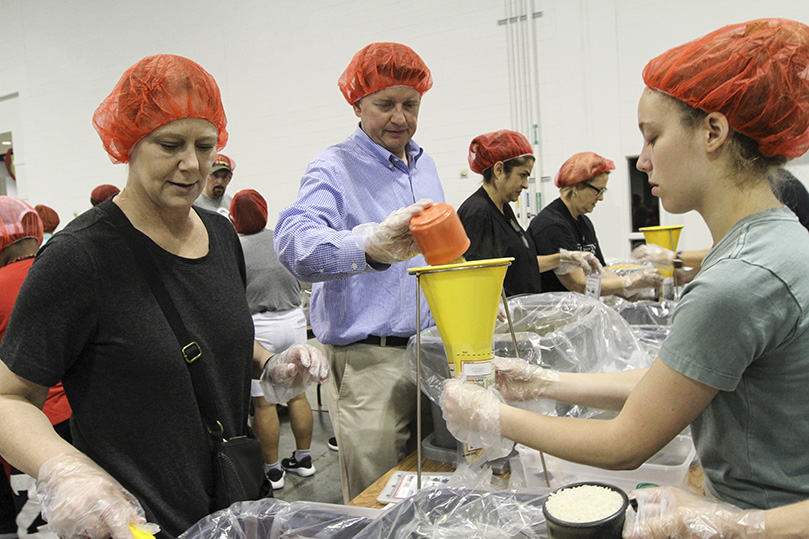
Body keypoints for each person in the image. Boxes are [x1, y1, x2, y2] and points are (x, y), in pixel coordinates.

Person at [441, 18, 809, 537]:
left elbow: (626, 443)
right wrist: (547, 381)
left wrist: (493, 417)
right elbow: (677, 381)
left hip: (769, 510)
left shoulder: (737, 280)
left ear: (713, 131)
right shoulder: (781, 238)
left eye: (653, 137)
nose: (646, 162)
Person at [0, 54, 328, 539]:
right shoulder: (81, 257)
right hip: (139, 522)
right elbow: (10, 397)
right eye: (169, 144)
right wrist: (66, 470)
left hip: (234, 502)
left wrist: (270, 365)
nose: (192, 164)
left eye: (206, 145)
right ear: (129, 144)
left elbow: (212, 333)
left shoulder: (220, 236)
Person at [274, 41, 443, 502]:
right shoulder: (334, 168)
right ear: (357, 104)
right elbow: (294, 243)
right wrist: (366, 246)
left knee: (432, 479)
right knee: (379, 497)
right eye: (385, 104)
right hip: (370, 364)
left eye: (411, 104)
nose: (400, 117)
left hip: (428, 354)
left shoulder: (423, 164)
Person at [229, 189, 316, 492]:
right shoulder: (282, 238)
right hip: (292, 320)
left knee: (264, 404)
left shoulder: (233, 246)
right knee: (298, 395)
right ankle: (305, 460)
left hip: (258, 327)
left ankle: (273, 470)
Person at [458, 130, 600, 297]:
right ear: (499, 170)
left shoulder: (503, 208)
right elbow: (477, 279)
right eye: (522, 175)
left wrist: (563, 258)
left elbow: (522, 265)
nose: (526, 185)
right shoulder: (478, 212)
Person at [527, 152, 662, 297]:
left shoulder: (583, 221)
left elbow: (601, 271)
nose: (601, 198)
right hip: (553, 311)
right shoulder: (552, 226)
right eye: (598, 191)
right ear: (577, 186)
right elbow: (578, 284)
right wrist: (630, 282)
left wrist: (632, 292)